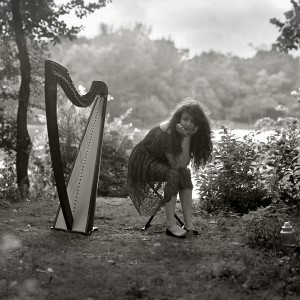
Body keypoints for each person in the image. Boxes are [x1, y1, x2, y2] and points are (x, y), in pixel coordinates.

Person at [127, 98, 213, 238]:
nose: (188, 124)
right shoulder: (168, 130)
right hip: (143, 161)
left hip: (162, 160)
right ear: (178, 118)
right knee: (173, 174)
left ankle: (188, 224)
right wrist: (185, 137)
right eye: (185, 119)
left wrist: (187, 137)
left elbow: (183, 164)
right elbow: (174, 165)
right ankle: (171, 226)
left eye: (193, 121)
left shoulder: (188, 133)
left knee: (185, 173)